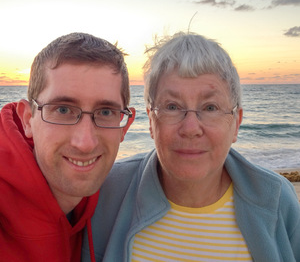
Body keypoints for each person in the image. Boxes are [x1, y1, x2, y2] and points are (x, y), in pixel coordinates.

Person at [82, 32, 300, 262]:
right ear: (151, 121)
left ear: (236, 123)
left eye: (210, 108)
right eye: (173, 106)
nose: (190, 128)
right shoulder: (109, 192)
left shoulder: (276, 199)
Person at [0, 32, 135, 262]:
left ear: (124, 126)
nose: (85, 143)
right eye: (63, 109)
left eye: (105, 112)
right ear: (27, 119)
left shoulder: (117, 205)